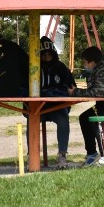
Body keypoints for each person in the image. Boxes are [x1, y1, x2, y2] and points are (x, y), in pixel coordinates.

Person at [36, 36, 76, 169]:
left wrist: (58, 92)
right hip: (37, 108)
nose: (47, 57)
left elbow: (71, 87)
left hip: (57, 107)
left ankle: (62, 155)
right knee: (32, 119)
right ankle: (33, 156)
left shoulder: (61, 68)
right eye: (43, 54)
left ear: (53, 53)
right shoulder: (32, 68)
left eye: (49, 54)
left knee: (64, 118)